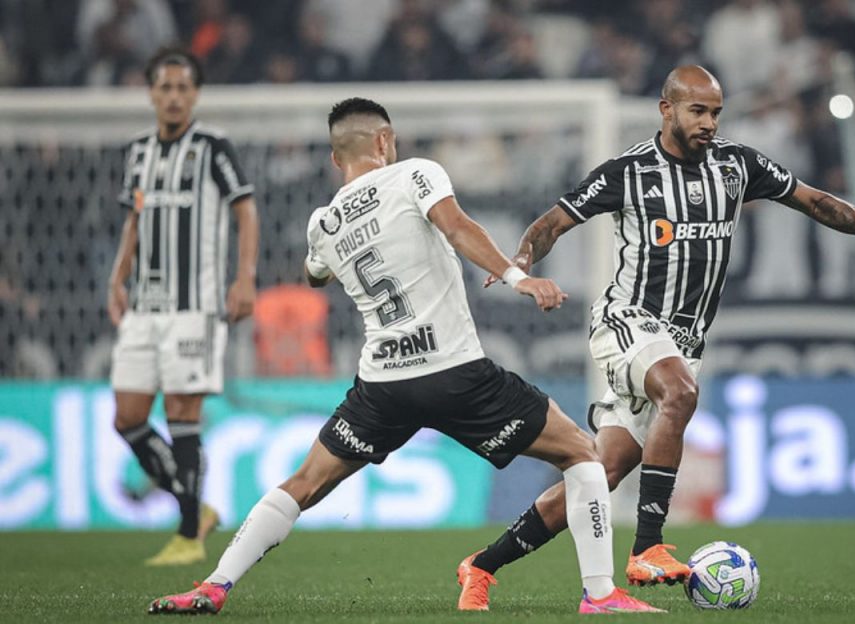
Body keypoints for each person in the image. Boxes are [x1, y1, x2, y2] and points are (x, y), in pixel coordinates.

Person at [147, 98, 662, 615]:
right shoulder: (415, 173)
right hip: (456, 373)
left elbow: (314, 274)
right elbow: (457, 226)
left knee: (304, 484)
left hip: (384, 387)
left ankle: (214, 585)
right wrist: (517, 277)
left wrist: (328, 257)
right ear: (383, 141)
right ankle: (600, 595)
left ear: (335, 159)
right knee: (582, 455)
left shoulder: (322, 224)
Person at [458, 65, 855, 608]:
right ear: (667, 110)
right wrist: (521, 262)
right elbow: (552, 223)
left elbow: (816, 202)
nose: (709, 122)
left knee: (602, 470)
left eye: (715, 112)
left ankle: (481, 565)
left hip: (684, 341)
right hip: (627, 320)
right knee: (680, 392)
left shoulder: (738, 166)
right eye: (697, 110)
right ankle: (648, 546)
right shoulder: (629, 171)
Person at [107, 47, 259, 566]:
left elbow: (246, 209)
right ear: (151, 93)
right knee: (127, 417)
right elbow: (133, 221)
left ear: (194, 94)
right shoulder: (137, 151)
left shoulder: (213, 146)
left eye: (183, 88)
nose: (173, 96)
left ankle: (189, 532)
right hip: (144, 305)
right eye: (165, 87)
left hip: (196, 305)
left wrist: (244, 279)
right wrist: (117, 277)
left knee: (181, 414)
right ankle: (196, 509)